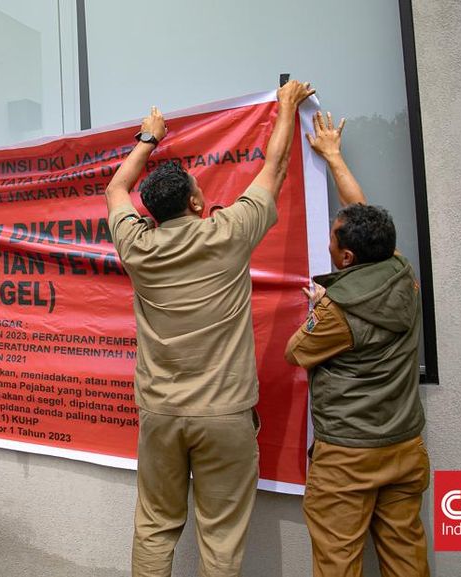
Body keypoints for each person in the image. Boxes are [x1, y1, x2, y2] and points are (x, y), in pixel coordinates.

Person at [105, 80, 315, 577]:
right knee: (220, 538)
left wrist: (149, 137)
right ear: (197, 204)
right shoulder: (228, 233)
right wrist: (286, 106)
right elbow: (274, 168)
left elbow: (115, 189)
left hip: (160, 414)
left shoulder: (137, 245)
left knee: (155, 526)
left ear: (152, 212)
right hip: (224, 415)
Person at [284, 111, 429, 577]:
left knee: (337, 562)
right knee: (406, 557)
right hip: (404, 447)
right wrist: (333, 157)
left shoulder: (337, 310)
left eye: (331, 239)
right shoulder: (401, 274)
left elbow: (295, 352)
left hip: (348, 456)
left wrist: (320, 308)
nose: (327, 242)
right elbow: (361, 210)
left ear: (346, 257)